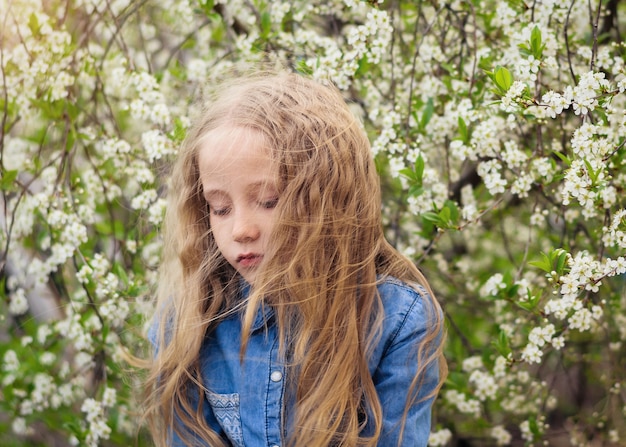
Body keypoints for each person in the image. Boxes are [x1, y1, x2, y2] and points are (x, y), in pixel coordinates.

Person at [145, 71, 446, 447]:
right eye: (220, 207)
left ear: (329, 202)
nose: (241, 229)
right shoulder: (187, 324)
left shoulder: (398, 322)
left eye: (268, 201)